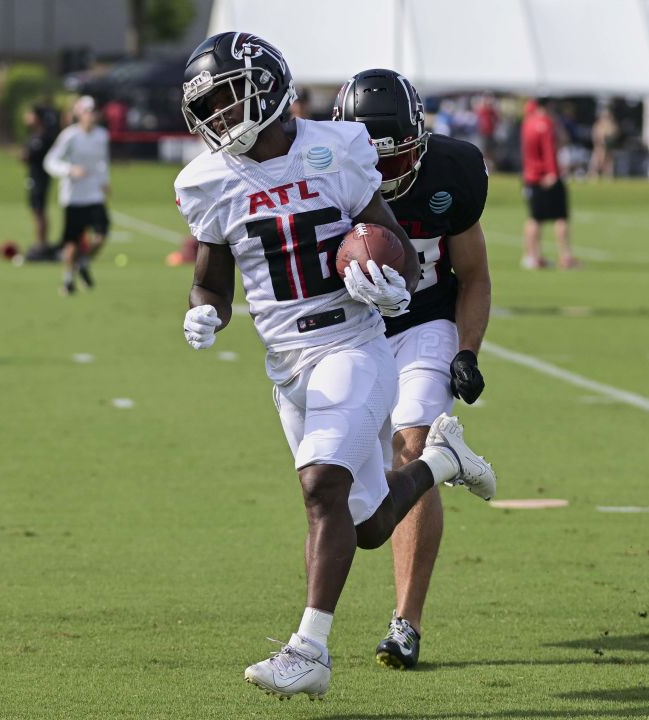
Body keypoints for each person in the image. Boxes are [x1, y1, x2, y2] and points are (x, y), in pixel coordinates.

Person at [174, 32, 496, 701]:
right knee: (367, 523)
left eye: (230, 102)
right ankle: (441, 462)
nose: (221, 121)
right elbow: (211, 277)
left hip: (352, 342)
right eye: (212, 109)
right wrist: (204, 310)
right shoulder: (206, 180)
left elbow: (395, 240)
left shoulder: (335, 147)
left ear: (264, 88)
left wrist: (391, 279)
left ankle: (310, 649)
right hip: (286, 360)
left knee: (322, 487)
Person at [333, 68, 491, 670]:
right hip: (349, 332)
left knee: (413, 442)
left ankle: (406, 623)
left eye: (396, 156)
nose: (386, 171)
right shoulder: (321, 175)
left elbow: (473, 277)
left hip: (425, 324)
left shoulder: (450, 173)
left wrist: (466, 351)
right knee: (342, 480)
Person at [44, 96, 110, 295]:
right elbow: (50, 161)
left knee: (100, 236)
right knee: (72, 242)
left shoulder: (102, 135)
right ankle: (68, 279)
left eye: (93, 111)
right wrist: (69, 170)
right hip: (73, 197)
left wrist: (104, 181)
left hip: (94, 195)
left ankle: (83, 262)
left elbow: (102, 161)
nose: (90, 116)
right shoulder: (69, 136)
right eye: (86, 112)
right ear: (79, 114)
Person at [520, 98, 577, 270]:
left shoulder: (527, 123)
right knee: (561, 216)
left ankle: (532, 255)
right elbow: (549, 150)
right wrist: (552, 172)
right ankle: (565, 256)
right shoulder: (545, 124)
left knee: (534, 218)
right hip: (546, 175)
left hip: (530, 176)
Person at [22, 106, 59, 260]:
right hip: (33, 177)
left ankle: (42, 244)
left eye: (29, 114)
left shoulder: (43, 136)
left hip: (40, 178)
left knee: (39, 210)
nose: (26, 117)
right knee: (36, 210)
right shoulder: (34, 135)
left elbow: (28, 156)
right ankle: (41, 243)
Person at [587, 106, 617, 181]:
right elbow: (595, 135)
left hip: (608, 146)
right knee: (597, 160)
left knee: (608, 160)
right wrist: (599, 141)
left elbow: (614, 133)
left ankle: (607, 175)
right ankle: (593, 174)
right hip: (599, 145)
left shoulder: (611, 124)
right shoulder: (598, 124)